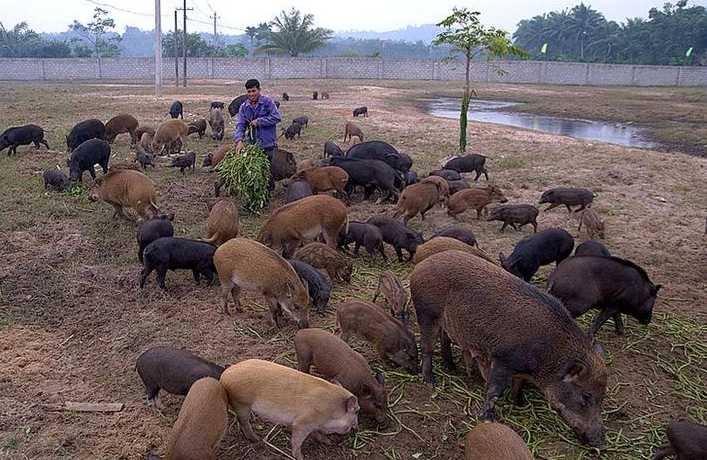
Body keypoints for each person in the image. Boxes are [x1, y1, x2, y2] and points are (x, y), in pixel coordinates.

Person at [233, 78, 282, 161]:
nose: (251, 94)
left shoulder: (267, 102)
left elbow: (276, 117)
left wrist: (260, 121)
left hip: (268, 145)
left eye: (253, 91)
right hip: (252, 145)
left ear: (259, 90)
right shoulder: (244, 107)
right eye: (249, 91)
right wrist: (239, 140)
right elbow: (240, 125)